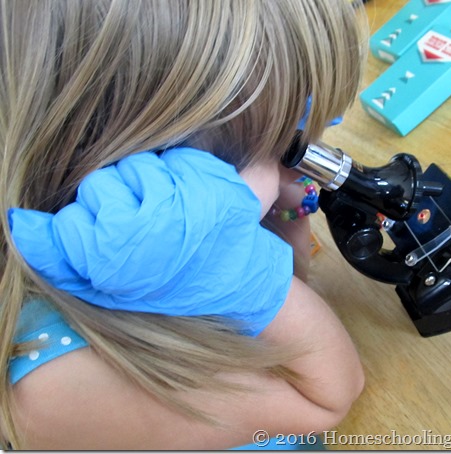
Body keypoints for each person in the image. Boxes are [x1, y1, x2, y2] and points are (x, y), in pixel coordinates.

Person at [0, 0, 369, 449]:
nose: (295, 166)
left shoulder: (184, 233)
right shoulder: (53, 389)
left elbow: (281, 318)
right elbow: (330, 394)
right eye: (277, 147)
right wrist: (249, 277)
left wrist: (285, 219)